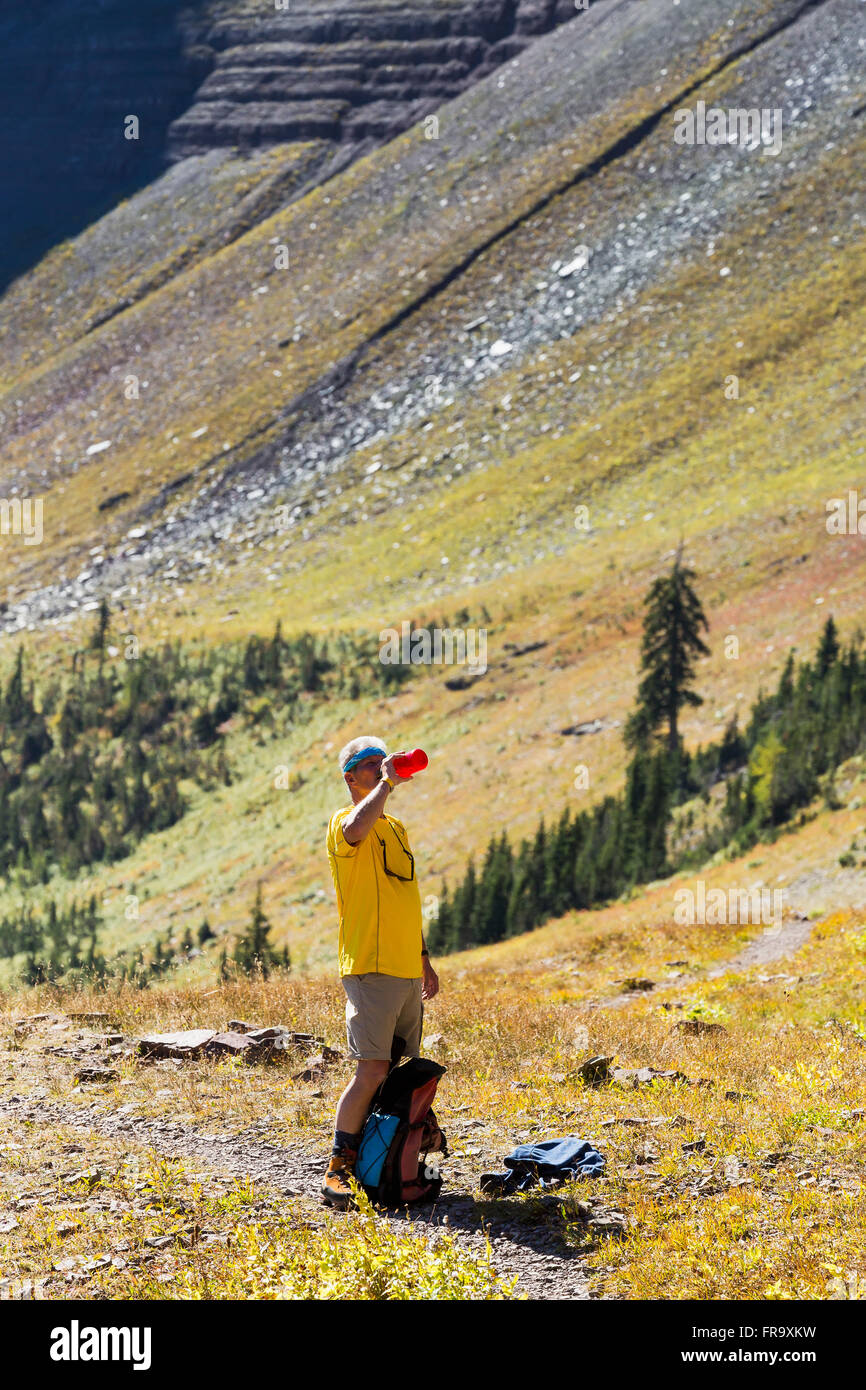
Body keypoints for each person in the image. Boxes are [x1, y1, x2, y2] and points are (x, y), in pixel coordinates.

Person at [322, 736, 439, 1208]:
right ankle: (339, 1168)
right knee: (371, 1068)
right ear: (351, 778)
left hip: (406, 967)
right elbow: (355, 827)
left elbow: (405, 899)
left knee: (397, 1070)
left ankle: (388, 1157)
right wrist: (386, 784)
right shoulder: (345, 823)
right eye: (369, 765)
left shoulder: (397, 828)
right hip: (370, 966)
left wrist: (424, 958)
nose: (382, 767)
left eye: (383, 761)